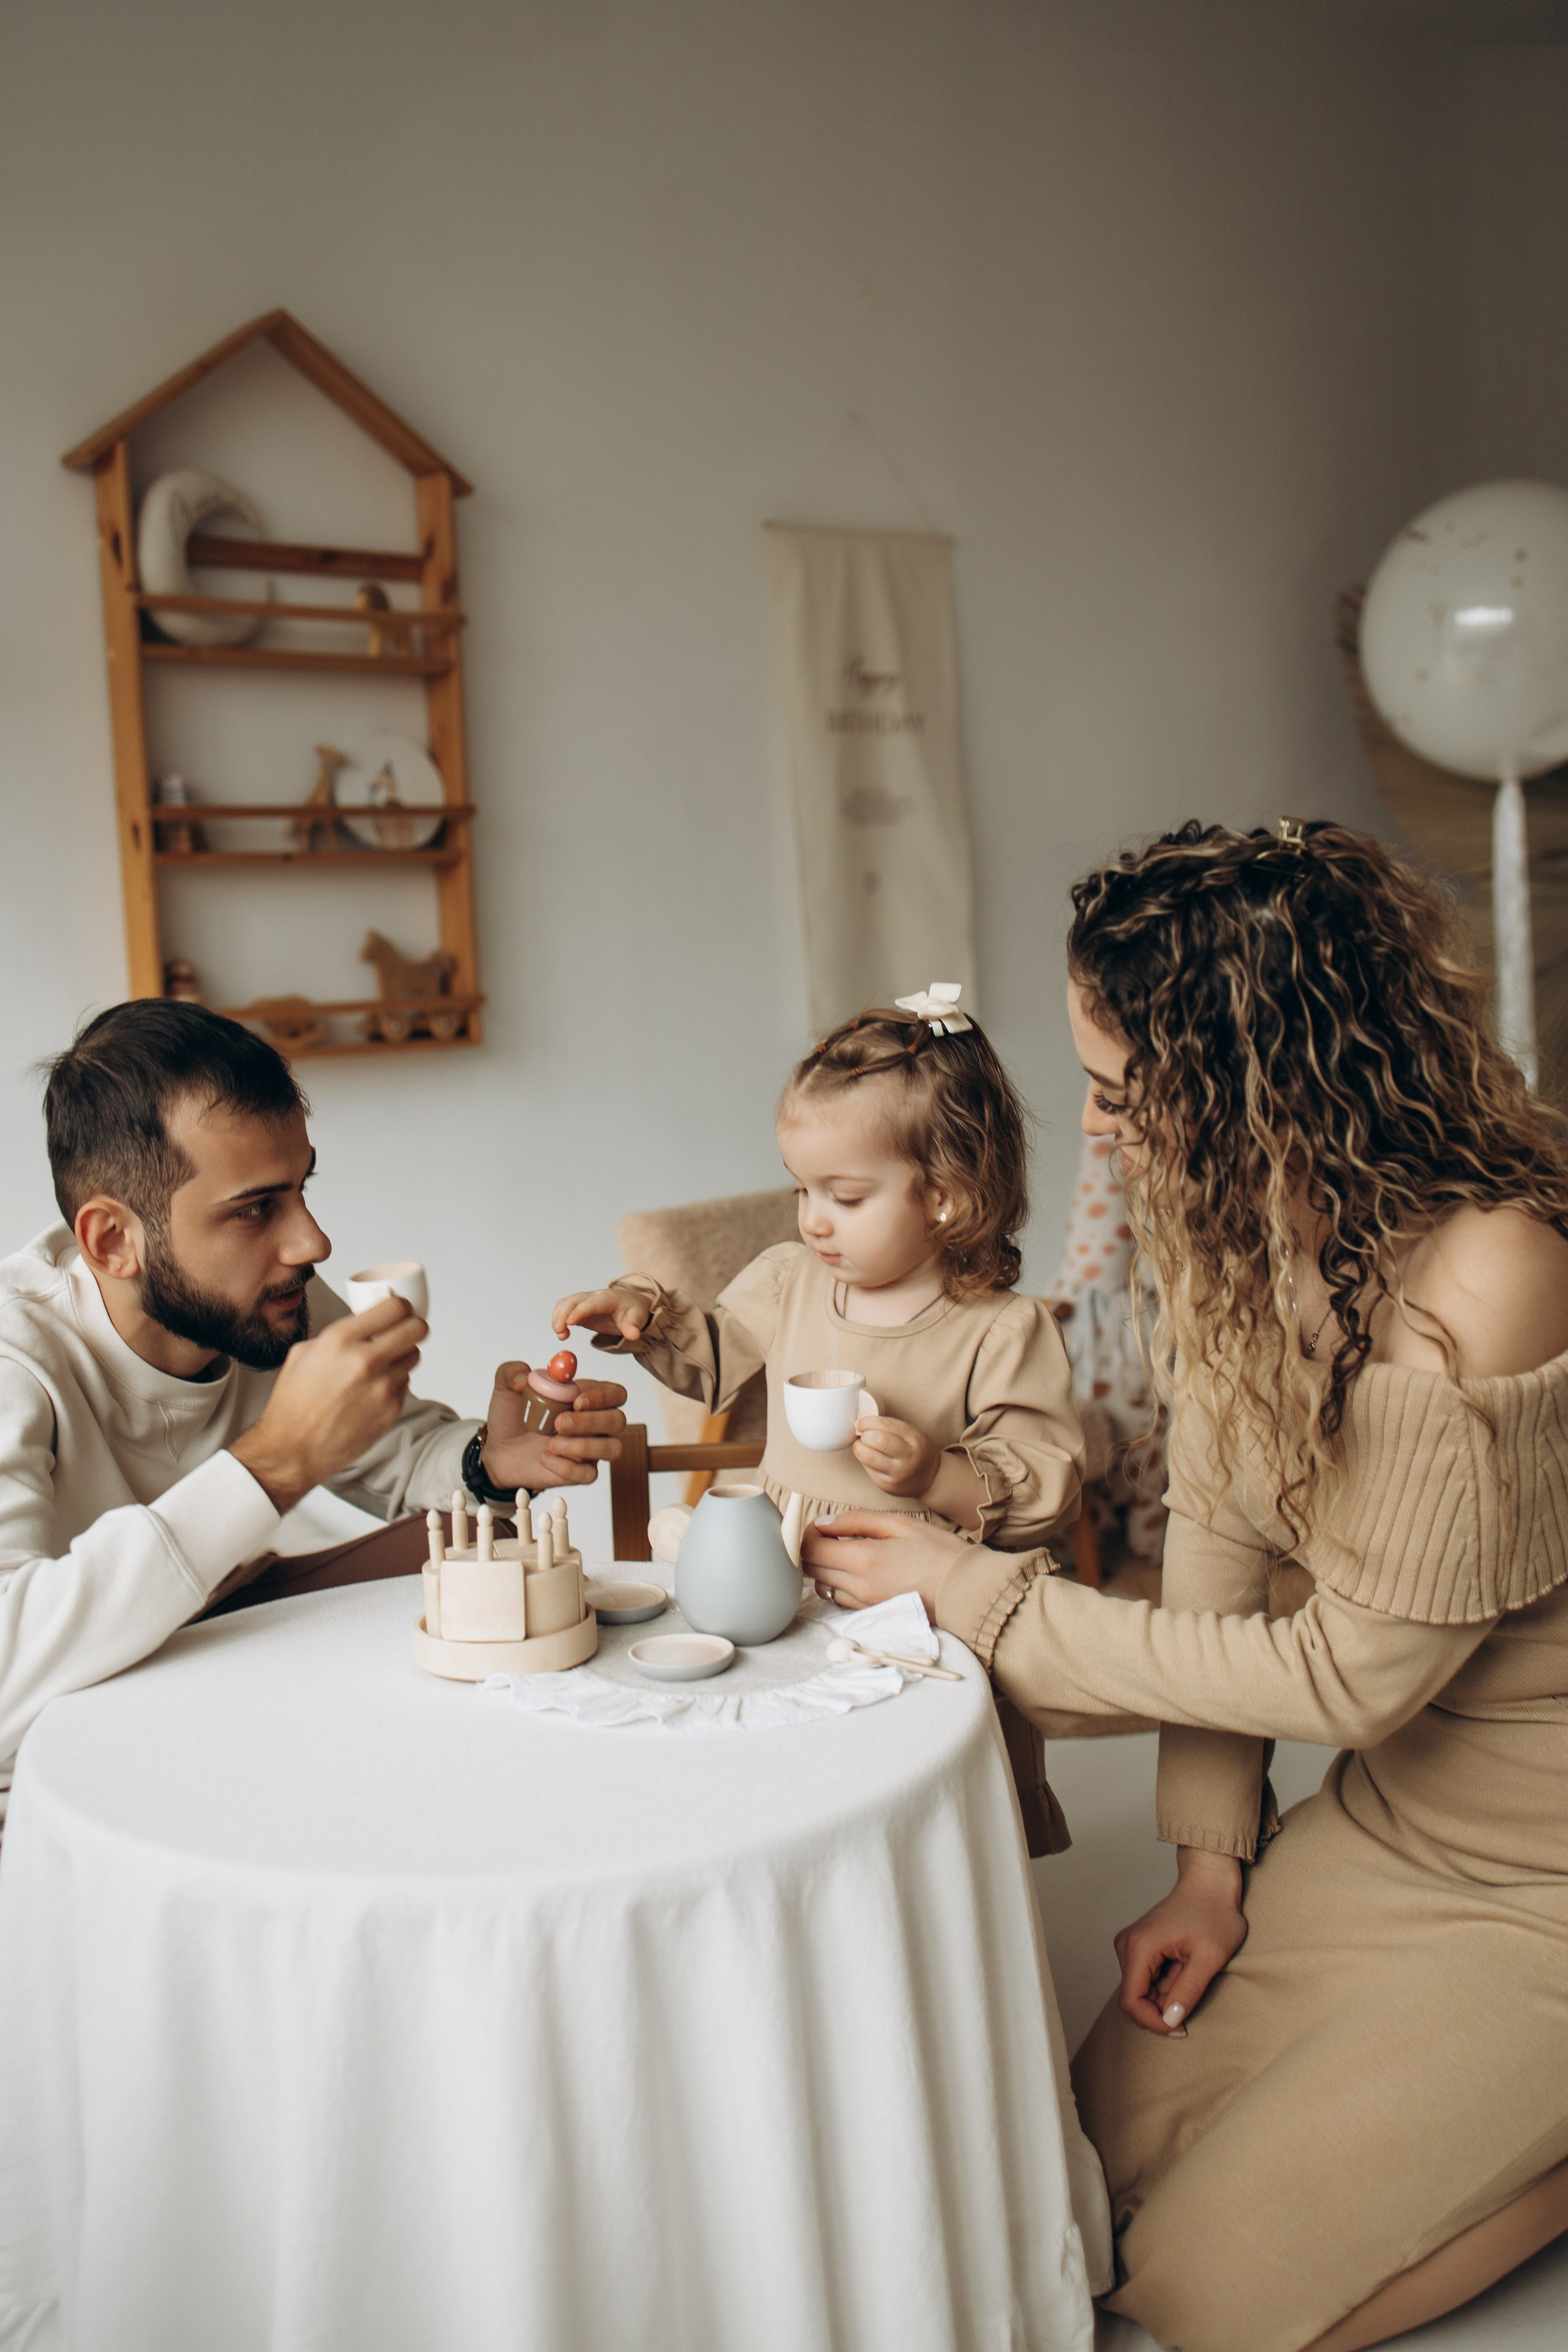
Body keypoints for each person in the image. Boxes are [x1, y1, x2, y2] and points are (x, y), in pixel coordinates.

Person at [801, 824, 1568, 2352]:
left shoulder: (1494, 1267)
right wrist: (1209, 1866)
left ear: (1254, 1079)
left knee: (1208, 2300)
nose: (1095, 1137)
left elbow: (1348, 1679)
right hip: (1391, 1820)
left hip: (1547, 1881)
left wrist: (982, 1595)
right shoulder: (1228, 1215)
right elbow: (1215, 1531)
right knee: (1067, 2190)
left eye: (1114, 1091)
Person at [0, 1000, 627, 1830]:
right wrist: (274, 1462)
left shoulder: (263, 1304)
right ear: (113, 1242)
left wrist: (488, 1465)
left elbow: (399, 1458)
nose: (313, 1242)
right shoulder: (18, 1359)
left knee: (493, 1566)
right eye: (257, 1208)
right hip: (65, 1767)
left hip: (213, 1656)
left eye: (303, 1189)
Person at [554, 987, 1086, 1850]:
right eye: (803, 1189)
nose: (813, 1219)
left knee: (914, 1815)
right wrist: (640, 1315)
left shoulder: (1001, 1329)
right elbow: (715, 1356)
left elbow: (1044, 1480)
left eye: (844, 1196)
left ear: (945, 1196)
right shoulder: (786, 1278)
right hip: (786, 1587)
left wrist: (934, 1474)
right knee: (795, 1794)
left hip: (921, 1609)